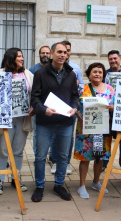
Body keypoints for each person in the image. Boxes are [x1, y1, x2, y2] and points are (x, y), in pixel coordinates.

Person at [31, 42, 79, 202]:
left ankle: (59, 185)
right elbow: (35, 98)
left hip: (65, 122)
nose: (62, 55)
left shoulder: (71, 75)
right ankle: (39, 186)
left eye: (65, 52)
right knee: (40, 156)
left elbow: (74, 96)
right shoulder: (40, 74)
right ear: (51, 54)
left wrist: (74, 108)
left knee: (63, 156)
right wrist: (43, 109)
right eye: (59, 52)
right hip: (45, 121)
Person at [0, 48, 34, 195]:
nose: (22, 59)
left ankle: (15, 177)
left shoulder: (27, 74)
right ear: (11, 58)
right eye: (19, 56)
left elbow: (34, 93)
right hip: (5, 119)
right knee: (3, 150)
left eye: (22, 56)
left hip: (23, 118)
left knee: (18, 150)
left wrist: (33, 106)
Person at [74, 62, 115, 199]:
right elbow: (74, 103)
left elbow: (117, 105)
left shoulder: (110, 89)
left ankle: (96, 182)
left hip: (103, 130)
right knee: (85, 158)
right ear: (89, 74)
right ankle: (82, 185)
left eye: (100, 72)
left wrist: (112, 107)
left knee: (100, 157)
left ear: (103, 74)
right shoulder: (82, 89)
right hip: (85, 130)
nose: (97, 74)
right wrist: (77, 113)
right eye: (94, 72)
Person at [50, 40, 84, 175]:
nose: (65, 53)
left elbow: (81, 87)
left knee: (68, 138)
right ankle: (54, 161)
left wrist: (76, 85)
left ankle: (66, 162)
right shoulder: (50, 68)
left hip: (69, 109)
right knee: (54, 136)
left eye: (67, 50)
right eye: (62, 51)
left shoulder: (75, 69)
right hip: (53, 109)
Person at [29, 46, 51, 155]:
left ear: (50, 54)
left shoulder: (53, 68)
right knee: (37, 132)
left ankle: (51, 155)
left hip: (51, 105)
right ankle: (37, 154)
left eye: (47, 53)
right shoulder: (32, 70)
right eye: (43, 53)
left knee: (52, 131)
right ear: (39, 54)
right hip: (37, 105)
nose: (45, 55)